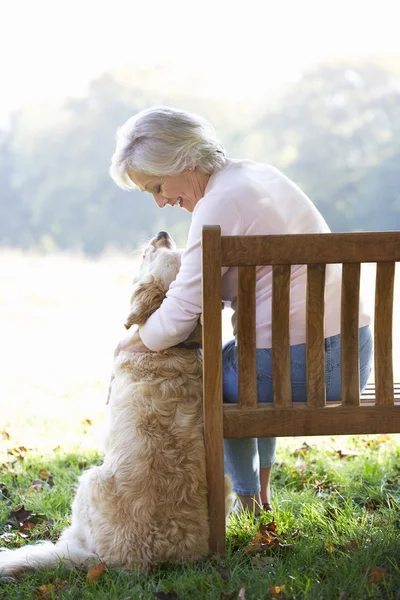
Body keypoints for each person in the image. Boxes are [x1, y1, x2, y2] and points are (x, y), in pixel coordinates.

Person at [109, 106, 373, 515]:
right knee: (242, 365)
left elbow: (181, 314)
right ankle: (259, 494)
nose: (161, 202)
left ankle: (248, 501)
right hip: (357, 360)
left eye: (157, 186)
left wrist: (133, 344)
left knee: (214, 378)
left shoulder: (217, 205)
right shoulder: (259, 175)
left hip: (303, 367)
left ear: (183, 160)